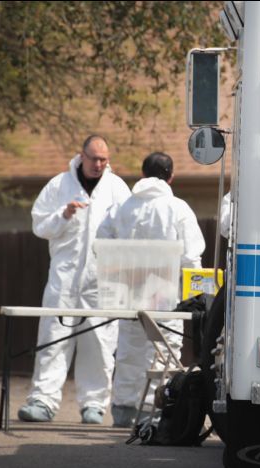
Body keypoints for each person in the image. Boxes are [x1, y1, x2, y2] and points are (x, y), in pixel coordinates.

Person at [19, 135, 131, 424]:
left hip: (102, 281)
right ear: (81, 156)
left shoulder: (117, 188)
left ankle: (94, 405)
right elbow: (39, 225)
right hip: (64, 279)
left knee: (100, 343)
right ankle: (42, 401)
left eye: (103, 159)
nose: (98, 164)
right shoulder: (59, 185)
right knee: (53, 339)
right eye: (93, 158)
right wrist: (64, 214)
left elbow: (131, 228)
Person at [97, 152, 206, 428]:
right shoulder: (177, 208)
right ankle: (155, 412)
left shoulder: (123, 207)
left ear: (143, 174)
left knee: (129, 351)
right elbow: (192, 257)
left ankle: (123, 409)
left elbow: (101, 244)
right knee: (165, 352)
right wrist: (194, 296)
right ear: (171, 177)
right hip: (167, 296)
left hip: (129, 294)